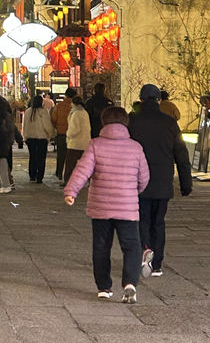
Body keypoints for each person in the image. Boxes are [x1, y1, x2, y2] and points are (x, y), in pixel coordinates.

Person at [64, 106, 150, 303]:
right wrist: (133, 192)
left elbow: (82, 171)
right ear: (126, 123)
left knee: (102, 247)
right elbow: (144, 177)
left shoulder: (96, 145)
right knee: (132, 247)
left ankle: (104, 287)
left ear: (104, 122)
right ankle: (129, 283)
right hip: (127, 208)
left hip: (100, 207)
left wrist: (71, 192)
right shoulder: (135, 147)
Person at [129, 83, 192, 278]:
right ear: (158, 100)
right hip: (163, 180)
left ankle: (144, 251)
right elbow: (181, 154)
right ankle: (156, 265)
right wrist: (185, 183)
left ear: (140, 99)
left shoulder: (132, 121)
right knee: (159, 222)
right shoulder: (169, 122)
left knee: (142, 220)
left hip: (138, 180)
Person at [22, 95, 56, 183]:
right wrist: (51, 134)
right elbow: (47, 125)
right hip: (41, 138)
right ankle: (39, 177)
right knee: (41, 158)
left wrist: (25, 136)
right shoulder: (43, 111)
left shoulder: (28, 111)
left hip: (30, 138)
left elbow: (24, 125)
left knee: (32, 157)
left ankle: (32, 175)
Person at [63, 96, 91, 185]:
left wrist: (68, 134)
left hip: (75, 143)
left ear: (73, 103)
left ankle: (68, 181)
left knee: (70, 164)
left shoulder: (76, 113)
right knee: (86, 164)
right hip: (85, 142)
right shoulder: (84, 112)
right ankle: (91, 181)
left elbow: (74, 129)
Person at [51, 87, 76, 181]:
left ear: (65, 95)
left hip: (61, 133)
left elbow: (53, 119)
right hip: (73, 135)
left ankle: (59, 172)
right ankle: (69, 174)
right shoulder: (75, 107)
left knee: (61, 155)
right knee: (71, 156)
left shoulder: (59, 106)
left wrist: (57, 127)